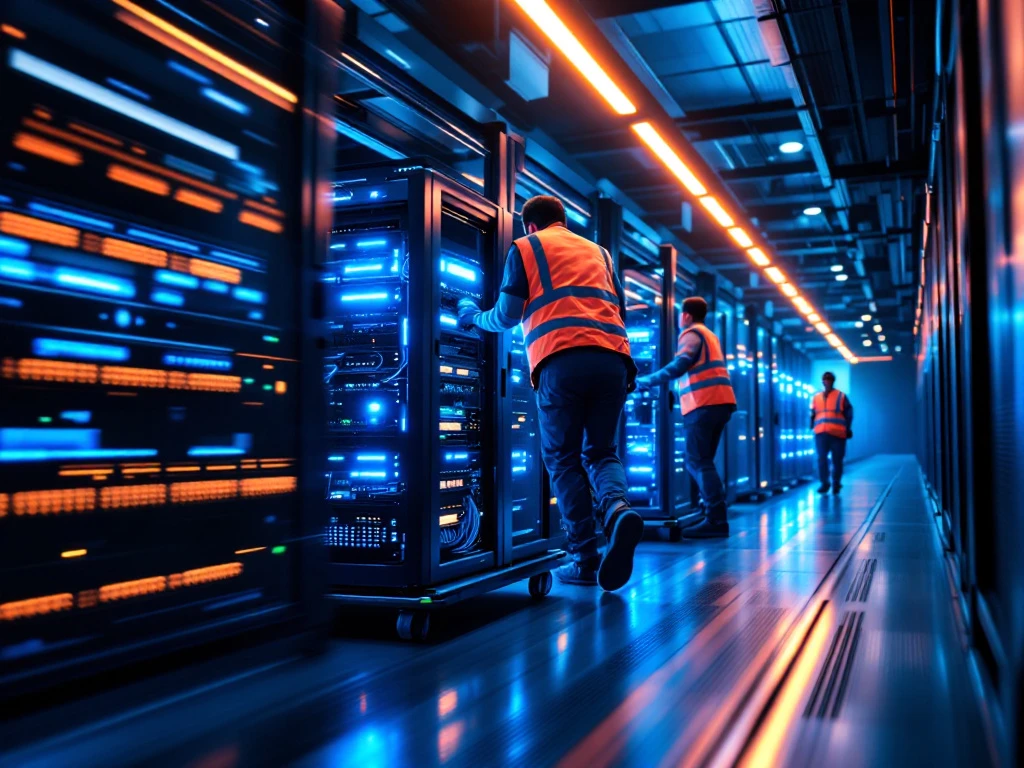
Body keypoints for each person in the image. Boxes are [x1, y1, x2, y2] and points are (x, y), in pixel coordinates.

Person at [458, 195, 643, 591]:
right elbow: (618, 310)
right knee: (601, 452)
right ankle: (616, 508)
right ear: (563, 220)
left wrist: (473, 318)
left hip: (562, 360)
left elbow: (507, 315)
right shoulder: (600, 252)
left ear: (529, 226)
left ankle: (585, 558)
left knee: (562, 458)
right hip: (613, 359)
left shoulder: (526, 247)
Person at [635, 297, 736, 539]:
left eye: (681, 314)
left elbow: (679, 365)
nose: (680, 319)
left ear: (687, 315)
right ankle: (711, 514)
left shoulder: (691, 333)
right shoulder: (709, 335)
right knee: (705, 461)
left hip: (703, 404)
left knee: (696, 461)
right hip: (720, 402)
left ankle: (716, 519)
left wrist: (647, 380)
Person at [811, 372, 853, 494]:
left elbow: (848, 413)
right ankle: (824, 483)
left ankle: (836, 483)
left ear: (833, 381)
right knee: (822, 459)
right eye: (825, 379)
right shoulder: (816, 397)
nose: (827, 381)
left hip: (838, 434)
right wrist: (811, 425)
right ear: (822, 381)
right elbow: (813, 413)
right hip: (821, 433)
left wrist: (848, 429)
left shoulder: (841, 396)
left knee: (837, 460)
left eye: (829, 379)